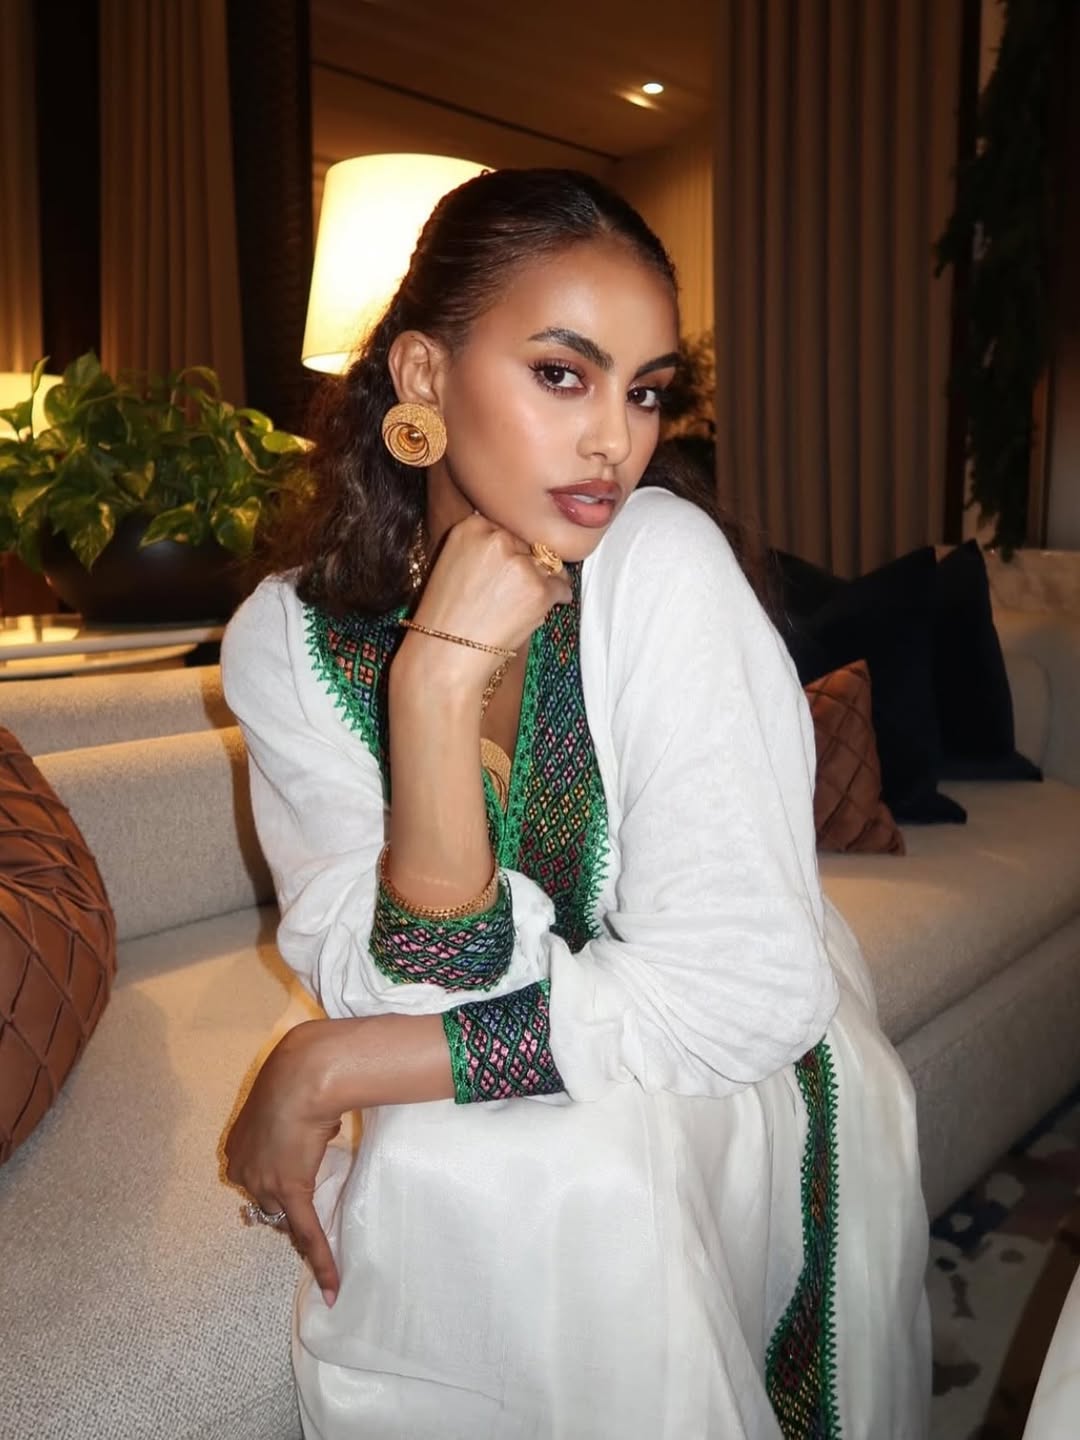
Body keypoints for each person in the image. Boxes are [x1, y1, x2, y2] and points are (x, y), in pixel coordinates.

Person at [220, 167, 931, 1439]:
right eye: (564, 373)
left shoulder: (660, 564)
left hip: (729, 1049)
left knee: (551, 1165)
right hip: (580, 1033)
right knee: (482, 1151)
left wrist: (343, 1057)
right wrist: (435, 687)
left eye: (645, 389)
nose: (619, 440)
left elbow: (738, 994)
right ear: (425, 378)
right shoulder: (285, 639)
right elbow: (405, 982)